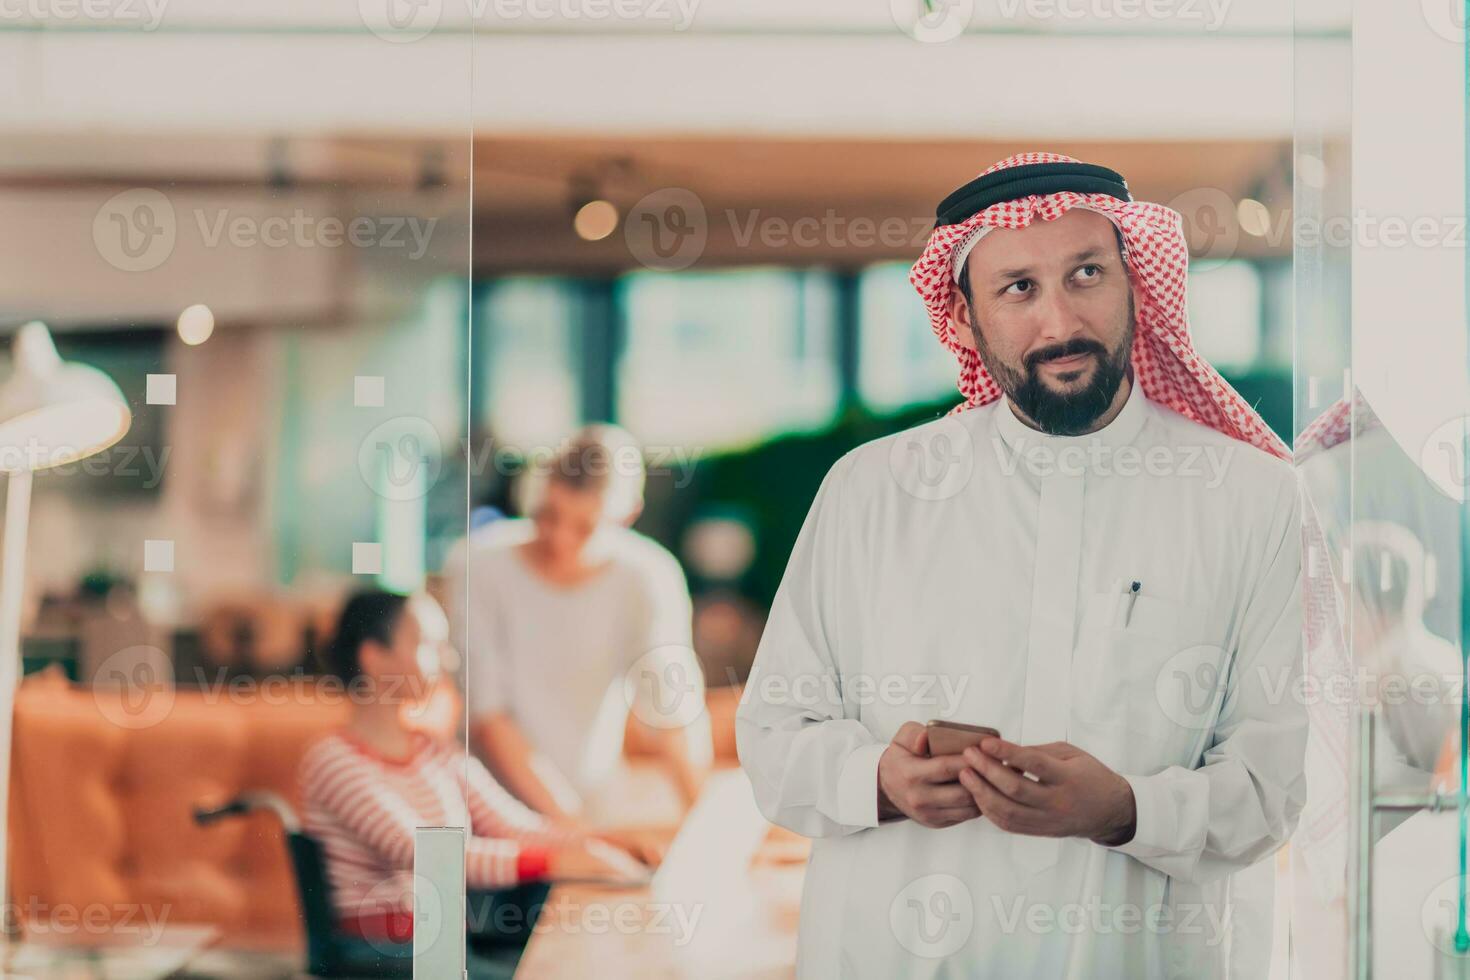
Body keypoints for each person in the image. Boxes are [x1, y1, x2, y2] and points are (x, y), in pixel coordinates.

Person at [736, 152, 1307, 978]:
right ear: (963, 319)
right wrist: (880, 781)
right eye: (1018, 288)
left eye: (1086, 274)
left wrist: (1126, 809)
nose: (1060, 321)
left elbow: (1275, 785)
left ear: (1136, 285)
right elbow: (772, 739)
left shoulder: (1252, 498)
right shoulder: (873, 490)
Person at [298, 589, 648, 958]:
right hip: (390, 953)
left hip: (445, 946)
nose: (448, 659)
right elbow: (426, 853)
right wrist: (558, 860)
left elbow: (514, 825)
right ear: (374, 657)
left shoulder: (434, 750)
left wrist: (607, 845)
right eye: (430, 645)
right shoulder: (333, 759)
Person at [447, 425, 712, 828]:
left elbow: (673, 712)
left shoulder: (649, 576)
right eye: (548, 516)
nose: (560, 539)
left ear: (629, 514)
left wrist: (702, 818)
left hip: (592, 807)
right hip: (488, 816)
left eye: (584, 527)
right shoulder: (476, 565)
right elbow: (487, 716)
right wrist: (570, 827)